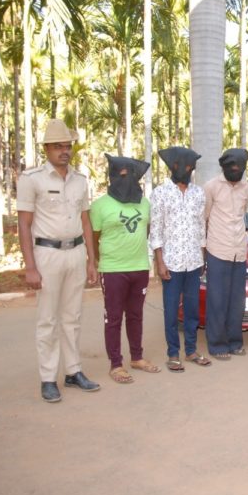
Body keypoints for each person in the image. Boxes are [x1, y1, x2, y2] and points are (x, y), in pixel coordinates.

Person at [17, 118, 100, 403]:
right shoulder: (32, 179)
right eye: (58, 146)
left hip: (75, 253)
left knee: (72, 318)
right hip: (47, 255)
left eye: (68, 146)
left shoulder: (80, 181)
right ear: (47, 149)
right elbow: (24, 225)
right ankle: (48, 378)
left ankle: (73, 371)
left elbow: (86, 222)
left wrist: (91, 261)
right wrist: (30, 266)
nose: (65, 151)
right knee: (48, 320)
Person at [90, 154, 159, 383]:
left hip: (139, 267)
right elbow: (94, 236)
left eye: (132, 175)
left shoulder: (144, 202)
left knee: (136, 315)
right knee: (114, 317)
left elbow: (146, 231)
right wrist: (100, 262)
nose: (127, 179)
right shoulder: (100, 205)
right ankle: (116, 364)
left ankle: (137, 358)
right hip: (112, 269)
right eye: (122, 175)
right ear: (112, 177)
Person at [150, 146, 211, 372]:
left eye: (190, 167)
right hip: (171, 263)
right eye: (182, 166)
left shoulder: (198, 193)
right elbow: (156, 229)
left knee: (193, 308)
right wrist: (159, 261)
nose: (186, 170)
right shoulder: (160, 193)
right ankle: (173, 353)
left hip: (194, 260)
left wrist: (203, 255)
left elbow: (200, 227)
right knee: (171, 308)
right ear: (173, 167)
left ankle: (192, 350)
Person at [203, 148, 248, 360]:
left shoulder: (247, 189)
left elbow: (242, 215)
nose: (236, 170)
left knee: (236, 301)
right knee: (217, 300)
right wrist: (203, 250)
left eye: (240, 168)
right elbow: (203, 218)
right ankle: (217, 345)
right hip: (217, 249)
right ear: (224, 168)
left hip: (239, 251)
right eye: (232, 167)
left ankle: (235, 342)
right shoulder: (211, 187)